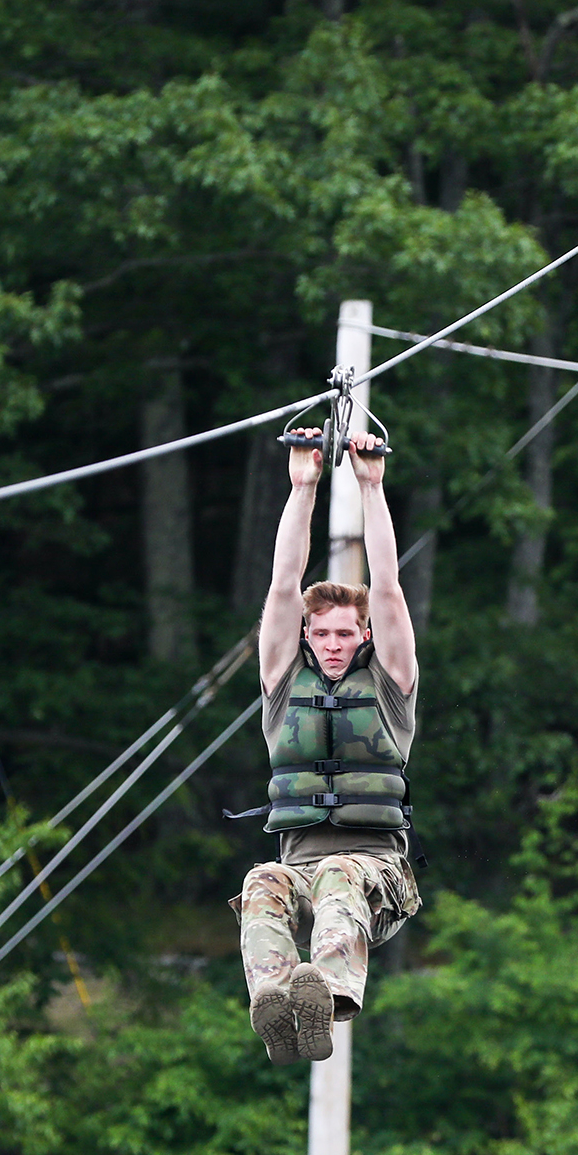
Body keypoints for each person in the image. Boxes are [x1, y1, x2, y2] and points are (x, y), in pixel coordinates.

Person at [230, 429, 421, 1066]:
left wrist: (371, 486)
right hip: (302, 868)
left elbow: (389, 587)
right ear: (307, 639)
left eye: (347, 632)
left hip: (375, 875)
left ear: (363, 634)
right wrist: (302, 485)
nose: (335, 643)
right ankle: (277, 1005)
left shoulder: (388, 685)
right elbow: (284, 587)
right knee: (261, 881)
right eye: (324, 634)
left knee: (340, 877)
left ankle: (331, 997)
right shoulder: (285, 683)